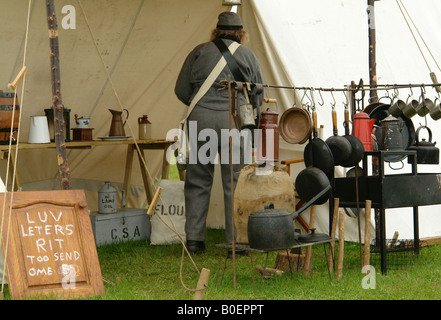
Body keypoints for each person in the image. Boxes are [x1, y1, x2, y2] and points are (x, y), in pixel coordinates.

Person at [175, 11, 264, 253]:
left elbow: (182, 91)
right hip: (232, 121)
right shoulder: (247, 54)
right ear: (240, 33)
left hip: (201, 120)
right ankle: (235, 242)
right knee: (235, 181)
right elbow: (259, 94)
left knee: (198, 180)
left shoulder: (199, 51)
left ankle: (194, 240)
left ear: (217, 31)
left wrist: (203, 104)